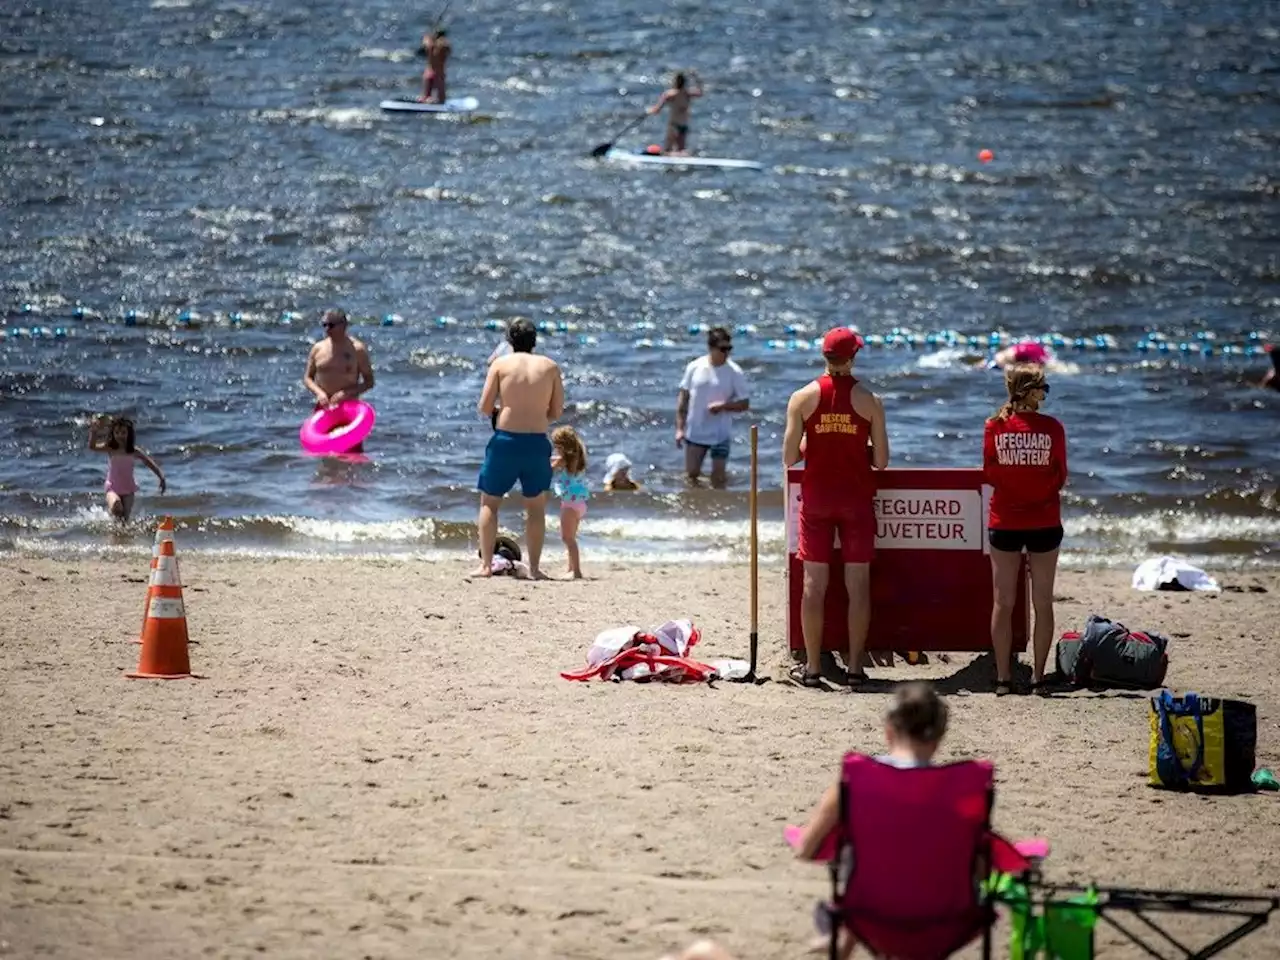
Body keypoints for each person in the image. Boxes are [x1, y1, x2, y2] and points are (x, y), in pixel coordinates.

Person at [659, 683, 949, 960]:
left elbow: (806, 849)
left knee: (701, 952)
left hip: (868, 909)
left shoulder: (859, 780)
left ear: (888, 732)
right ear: (937, 739)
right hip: (945, 916)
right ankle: (842, 930)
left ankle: (839, 930)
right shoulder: (960, 793)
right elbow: (983, 869)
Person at [782, 328, 888, 689]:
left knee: (814, 585)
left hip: (817, 499)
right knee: (858, 586)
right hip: (856, 499)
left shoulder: (802, 397)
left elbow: (788, 457)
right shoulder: (870, 399)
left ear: (824, 357)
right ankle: (856, 668)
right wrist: (858, 447)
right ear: (853, 357)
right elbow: (883, 460)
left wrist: (814, 442)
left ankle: (813, 669)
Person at [983, 363, 1067, 696]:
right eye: (1043, 388)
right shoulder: (1052, 429)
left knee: (1003, 601)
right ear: (1030, 391)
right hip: (1044, 520)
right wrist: (1036, 492)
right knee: (1042, 601)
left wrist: (1017, 491)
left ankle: (1003, 678)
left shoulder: (994, 427)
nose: (1045, 394)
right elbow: (1060, 475)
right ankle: (1038, 677)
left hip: (1005, 521)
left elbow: (990, 472)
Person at [473, 318, 564, 579]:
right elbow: (556, 411)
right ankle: (534, 569)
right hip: (536, 441)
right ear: (535, 341)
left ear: (510, 341)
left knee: (490, 503)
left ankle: (486, 565)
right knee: (535, 506)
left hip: (506, 440)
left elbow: (484, 406)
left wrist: (505, 409)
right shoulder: (550, 366)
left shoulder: (501, 364)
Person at [675, 327, 750, 489]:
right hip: (695, 432)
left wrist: (723, 406)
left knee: (718, 478)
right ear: (711, 348)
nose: (726, 353)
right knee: (691, 475)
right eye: (722, 349)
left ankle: (718, 508)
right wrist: (680, 428)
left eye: (729, 349)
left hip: (720, 434)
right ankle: (695, 506)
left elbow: (745, 404)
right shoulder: (695, 367)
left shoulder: (734, 372)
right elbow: (683, 398)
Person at [302, 309, 375, 453]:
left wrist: (346, 393)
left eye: (331, 325)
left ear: (344, 325)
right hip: (324, 408)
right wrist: (319, 393)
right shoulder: (318, 349)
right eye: (324, 325)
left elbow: (369, 381)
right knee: (324, 457)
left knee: (352, 456)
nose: (327, 330)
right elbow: (307, 378)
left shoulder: (357, 349)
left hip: (348, 410)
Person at [87, 416, 166, 523]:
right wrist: (94, 432)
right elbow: (92, 446)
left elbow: (148, 462)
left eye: (123, 432)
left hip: (128, 489)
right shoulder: (110, 448)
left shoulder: (133, 451)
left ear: (129, 434)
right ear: (113, 434)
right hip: (112, 487)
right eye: (117, 432)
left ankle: (120, 538)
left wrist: (161, 477)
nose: (120, 436)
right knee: (117, 507)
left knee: (125, 519)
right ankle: (111, 523)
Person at [550, 426, 589, 579]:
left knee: (567, 538)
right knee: (571, 537)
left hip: (570, 504)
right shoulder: (578, 458)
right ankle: (570, 568)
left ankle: (577, 571)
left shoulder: (564, 460)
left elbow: (550, 468)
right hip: (579, 503)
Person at [647, 70, 702, 155]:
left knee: (667, 149)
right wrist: (696, 78)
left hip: (674, 125)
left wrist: (650, 110)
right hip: (683, 125)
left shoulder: (670, 94)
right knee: (681, 149)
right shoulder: (687, 94)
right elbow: (700, 92)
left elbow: (657, 110)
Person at [419, 28, 451, 104]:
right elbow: (447, 48)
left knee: (425, 96)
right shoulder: (443, 44)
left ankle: (426, 102)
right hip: (438, 72)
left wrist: (429, 38)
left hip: (428, 72)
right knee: (441, 98)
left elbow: (425, 44)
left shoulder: (429, 43)